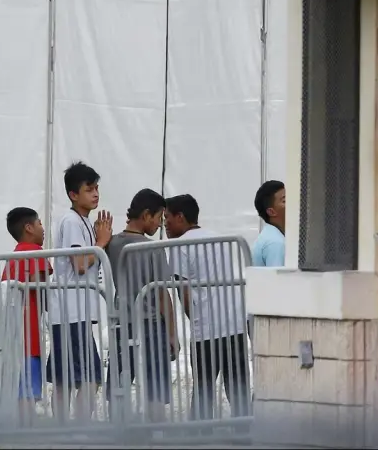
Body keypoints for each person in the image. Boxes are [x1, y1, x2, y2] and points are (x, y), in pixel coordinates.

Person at [165, 194, 249, 419]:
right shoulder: (219, 238)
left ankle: (200, 432)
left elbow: (183, 291)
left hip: (207, 327)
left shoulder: (180, 245)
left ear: (180, 217)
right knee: (238, 386)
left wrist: (194, 318)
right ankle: (244, 429)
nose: (165, 225)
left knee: (203, 387)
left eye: (167, 218)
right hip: (235, 323)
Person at [48, 161, 112, 419]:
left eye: (96, 188)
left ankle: (63, 427)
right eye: (89, 189)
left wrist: (99, 240)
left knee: (65, 378)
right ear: (73, 194)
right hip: (71, 312)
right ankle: (78, 427)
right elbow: (81, 264)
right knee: (89, 376)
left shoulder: (82, 221)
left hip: (72, 313)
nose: (95, 194)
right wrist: (101, 243)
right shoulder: (72, 221)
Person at [106, 189, 175, 421]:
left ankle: (118, 432)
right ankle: (156, 433)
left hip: (122, 322)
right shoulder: (153, 247)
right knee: (156, 390)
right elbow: (162, 293)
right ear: (146, 215)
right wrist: (172, 333)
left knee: (119, 385)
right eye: (158, 218)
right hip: (151, 324)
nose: (160, 224)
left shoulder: (112, 244)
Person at [1, 207, 50, 407]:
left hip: (11, 337)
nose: (43, 228)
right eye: (40, 223)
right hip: (30, 338)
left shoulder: (13, 258)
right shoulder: (36, 252)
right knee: (29, 396)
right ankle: (27, 426)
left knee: (19, 393)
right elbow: (40, 288)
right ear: (29, 228)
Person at [252, 181, 287, 268]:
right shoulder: (275, 243)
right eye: (285, 201)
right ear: (271, 212)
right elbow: (278, 276)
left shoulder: (270, 234)